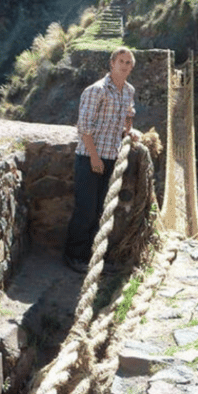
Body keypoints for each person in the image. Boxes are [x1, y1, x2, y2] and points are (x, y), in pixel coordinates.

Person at [63, 47, 138, 273]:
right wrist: (95, 158)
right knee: (85, 209)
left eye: (128, 63)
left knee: (101, 211)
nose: (125, 66)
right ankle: (74, 256)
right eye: (121, 61)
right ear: (112, 63)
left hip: (112, 156)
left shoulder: (129, 91)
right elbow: (84, 128)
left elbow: (126, 118)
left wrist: (130, 130)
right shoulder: (96, 90)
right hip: (89, 158)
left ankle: (92, 257)